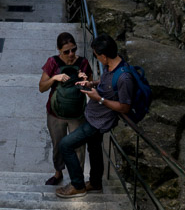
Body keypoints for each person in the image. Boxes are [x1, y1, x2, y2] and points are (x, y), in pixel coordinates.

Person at [55, 32, 136, 199]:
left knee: (65, 145)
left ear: (104, 56)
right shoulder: (111, 65)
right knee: (94, 149)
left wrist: (100, 99)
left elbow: (125, 107)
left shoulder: (124, 78)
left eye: (96, 55)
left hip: (98, 122)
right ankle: (95, 182)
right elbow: (106, 83)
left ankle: (77, 185)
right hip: (93, 116)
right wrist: (91, 83)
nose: (96, 58)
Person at [39, 32, 92, 186]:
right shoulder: (52, 63)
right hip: (56, 114)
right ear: (59, 50)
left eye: (73, 50)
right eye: (66, 51)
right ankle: (58, 173)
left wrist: (86, 81)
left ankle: (78, 178)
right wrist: (54, 78)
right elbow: (41, 87)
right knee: (58, 144)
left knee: (79, 147)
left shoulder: (83, 63)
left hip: (77, 114)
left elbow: (90, 87)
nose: (71, 54)